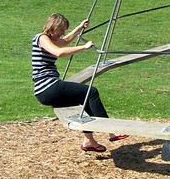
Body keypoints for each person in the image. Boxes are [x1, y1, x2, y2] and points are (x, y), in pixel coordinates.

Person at [32, 13, 128, 153]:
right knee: (91, 92)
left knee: (83, 100)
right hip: (48, 87)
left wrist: (79, 28)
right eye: (61, 29)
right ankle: (111, 130)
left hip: (46, 90)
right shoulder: (42, 38)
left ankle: (89, 141)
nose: (62, 33)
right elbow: (59, 52)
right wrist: (84, 47)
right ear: (53, 26)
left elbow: (65, 41)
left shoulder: (51, 39)